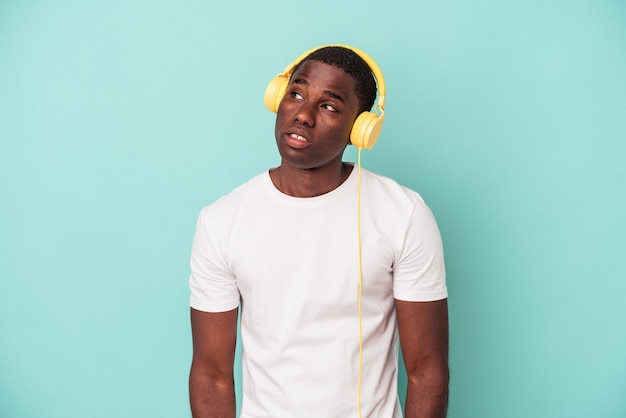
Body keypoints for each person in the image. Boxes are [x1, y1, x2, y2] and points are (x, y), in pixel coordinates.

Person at [188, 45, 449, 418]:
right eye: (295, 94)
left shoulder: (404, 214)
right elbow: (211, 374)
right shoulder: (221, 221)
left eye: (329, 106)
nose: (304, 115)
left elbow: (427, 370)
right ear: (278, 98)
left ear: (360, 129)